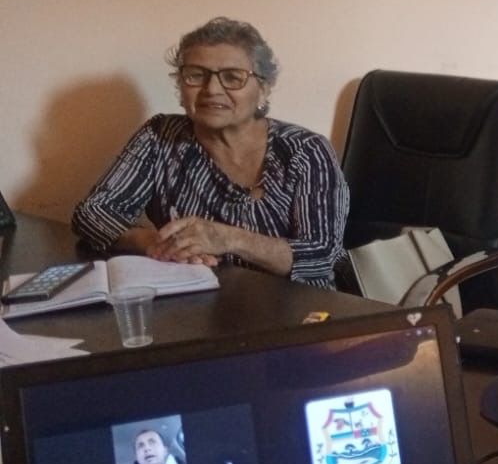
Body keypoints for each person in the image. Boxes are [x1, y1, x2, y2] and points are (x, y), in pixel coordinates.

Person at [72, 17, 349, 287]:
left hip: (296, 306)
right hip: (197, 299)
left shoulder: (305, 150)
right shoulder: (160, 136)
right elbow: (92, 212)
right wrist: (155, 242)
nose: (212, 89)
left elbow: (322, 256)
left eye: (232, 77)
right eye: (196, 76)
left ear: (263, 89)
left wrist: (229, 239)